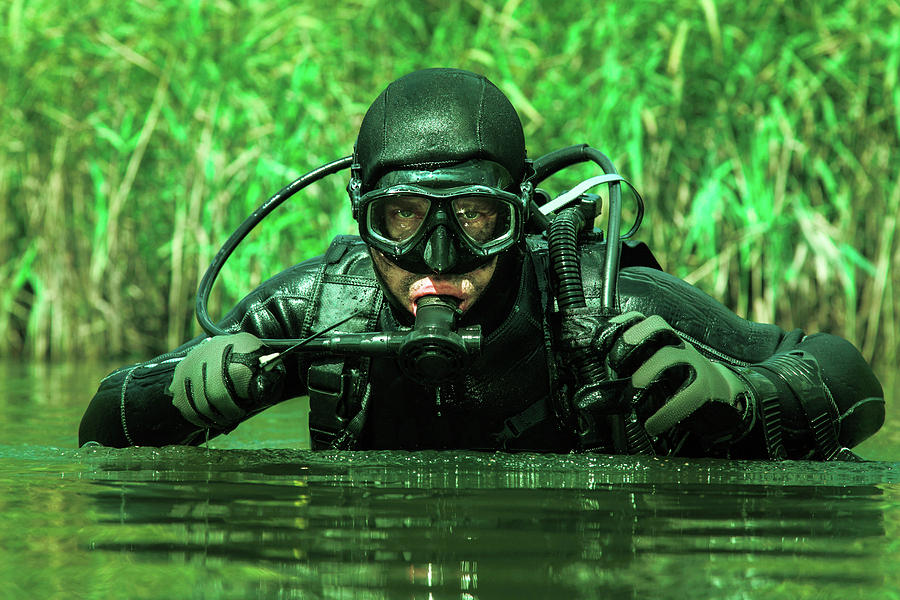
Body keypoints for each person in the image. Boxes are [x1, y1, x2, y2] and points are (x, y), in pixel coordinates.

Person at [79, 68, 885, 459]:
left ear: (524, 215)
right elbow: (96, 428)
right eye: (400, 220)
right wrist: (166, 396)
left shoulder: (604, 309)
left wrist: (750, 402)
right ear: (362, 216)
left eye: (476, 219)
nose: (439, 260)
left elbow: (853, 382)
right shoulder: (319, 313)